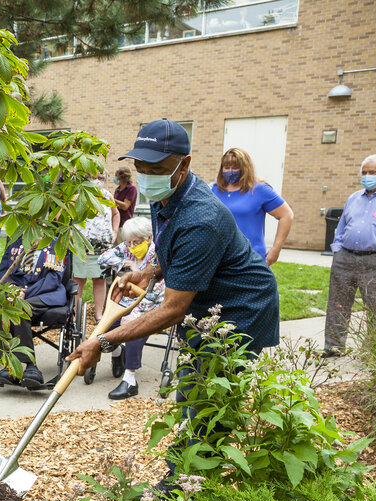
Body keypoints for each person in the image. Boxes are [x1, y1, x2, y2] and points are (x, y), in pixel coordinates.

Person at [68, 119, 280, 478]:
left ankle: (187, 493)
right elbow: (173, 250)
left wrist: (101, 341)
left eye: (159, 169)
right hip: (207, 304)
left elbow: (172, 310)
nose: (148, 176)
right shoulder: (168, 194)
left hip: (240, 310)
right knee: (194, 394)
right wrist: (148, 272)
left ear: (184, 164)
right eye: (142, 168)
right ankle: (186, 477)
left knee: (209, 406)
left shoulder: (201, 218)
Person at [323, 154, 376, 357]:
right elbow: (341, 227)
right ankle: (333, 348)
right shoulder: (354, 198)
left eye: (372, 172)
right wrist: (337, 249)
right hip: (345, 258)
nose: (367, 176)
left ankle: (374, 351)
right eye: (364, 172)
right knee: (337, 304)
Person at [96, 216, 165, 399]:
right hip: (126, 303)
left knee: (133, 329)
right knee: (103, 335)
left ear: (149, 238)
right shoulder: (127, 249)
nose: (133, 246)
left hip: (152, 305)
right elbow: (103, 258)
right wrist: (124, 264)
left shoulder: (158, 254)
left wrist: (134, 312)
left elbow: (156, 290)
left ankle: (130, 379)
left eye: (137, 242)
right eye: (130, 242)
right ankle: (117, 351)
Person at [0, 236, 68, 387]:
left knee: (20, 307)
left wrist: (26, 293)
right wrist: (11, 289)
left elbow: (53, 279)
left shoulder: (55, 246)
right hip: (15, 295)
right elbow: (2, 272)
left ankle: (30, 365)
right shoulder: (15, 243)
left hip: (44, 294)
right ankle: (9, 364)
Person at [211, 147, 294, 264]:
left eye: (235, 168)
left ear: (245, 168)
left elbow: (287, 215)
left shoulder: (260, 189)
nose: (230, 171)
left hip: (250, 259)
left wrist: (275, 250)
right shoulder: (213, 189)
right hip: (219, 259)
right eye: (227, 168)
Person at [70, 174, 120, 321]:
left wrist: (115, 231)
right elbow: (62, 216)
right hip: (81, 247)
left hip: (103, 248)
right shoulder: (78, 196)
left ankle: (99, 314)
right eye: (93, 176)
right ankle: (74, 315)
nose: (97, 180)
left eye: (101, 177)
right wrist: (71, 233)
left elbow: (116, 214)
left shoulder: (107, 196)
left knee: (100, 280)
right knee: (78, 279)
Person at [112, 165, 138, 229]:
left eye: (116, 175)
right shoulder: (117, 190)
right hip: (116, 223)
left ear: (122, 177)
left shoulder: (131, 189)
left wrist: (112, 199)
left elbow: (125, 206)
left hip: (125, 224)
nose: (115, 177)